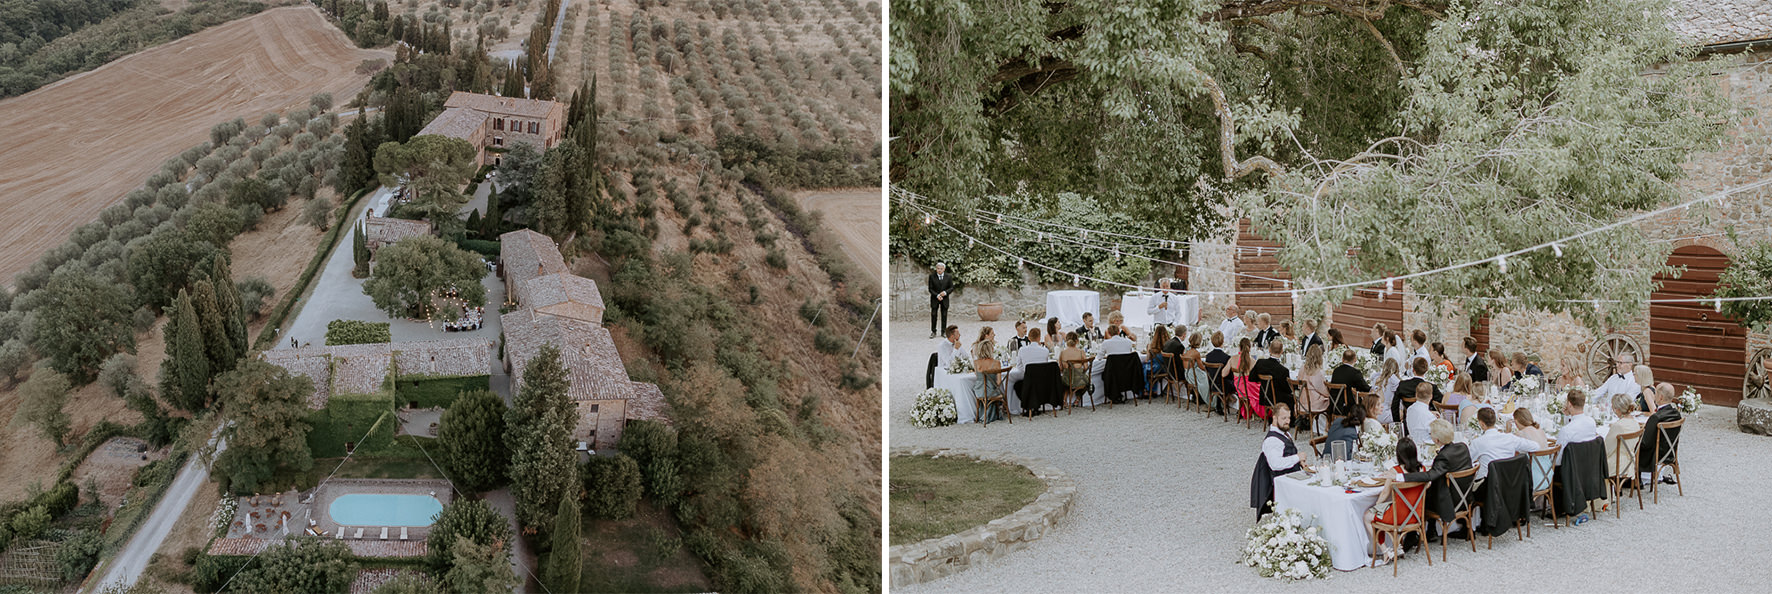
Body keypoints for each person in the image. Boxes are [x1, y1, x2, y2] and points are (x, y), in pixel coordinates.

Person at [1398, 419, 1472, 540]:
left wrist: (1401, 476)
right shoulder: (1463, 447)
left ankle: (1413, 535)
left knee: (1420, 494)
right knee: (1433, 487)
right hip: (1464, 498)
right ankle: (1430, 530)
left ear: (1437, 440)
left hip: (1449, 503)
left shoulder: (1443, 457)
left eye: (1431, 433)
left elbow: (1429, 476)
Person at [1363, 438, 1427, 562]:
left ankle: (1385, 551)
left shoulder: (1395, 471)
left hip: (1398, 517)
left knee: (1368, 516)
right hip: (1416, 515)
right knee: (1388, 508)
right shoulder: (1423, 470)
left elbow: (1385, 493)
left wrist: (1376, 506)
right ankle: (1397, 547)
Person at [1250, 402, 1312, 520]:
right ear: (1274, 417)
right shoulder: (1272, 441)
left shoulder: (1284, 432)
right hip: (1283, 481)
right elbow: (1275, 464)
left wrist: (1299, 462)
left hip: (1291, 475)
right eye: (1283, 418)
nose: (1287, 421)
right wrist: (1297, 457)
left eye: (1288, 418)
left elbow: (1286, 454)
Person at [1468, 407, 1539, 480]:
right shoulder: (1510, 438)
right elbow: (1535, 446)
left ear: (1481, 424)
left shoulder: (1477, 442)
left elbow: (1468, 462)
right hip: (1509, 483)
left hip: (1487, 486)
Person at [1638, 382, 1683, 484]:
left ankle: (1633, 478)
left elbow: (1645, 443)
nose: (1654, 396)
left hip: (1655, 454)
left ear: (1661, 397)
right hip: (1670, 451)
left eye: (1656, 394)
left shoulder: (1656, 417)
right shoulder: (1676, 413)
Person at [1553, 389, 1599, 465]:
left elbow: (1557, 460)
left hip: (1570, 472)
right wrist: (1568, 416)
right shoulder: (1591, 422)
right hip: (1589, 467)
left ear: (1569, 405)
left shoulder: (1566, 431)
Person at [1604, 393, 1642, 482]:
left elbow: (1606, 450)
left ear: (1617, 410)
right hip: (1631, 461)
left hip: (1617, 465)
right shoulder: (1635, 423)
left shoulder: (1618, 426)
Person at [1393, 358, 1444, 422]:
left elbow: (1394, 406)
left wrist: (1398, 423)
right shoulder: (1430, 387)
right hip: (1427, 421)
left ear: (1413, 369)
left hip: (1408, 422)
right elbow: (1443, 401)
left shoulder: (1402, 385)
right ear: (1426, 370)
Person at [1250, 339, 1295, 412]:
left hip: (1264, 397)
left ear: (1269, 350)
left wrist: (1263, 380)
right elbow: (1287, 390)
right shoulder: (1283, 370)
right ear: (1282, 351)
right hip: (1278, 400)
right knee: (1293, 398)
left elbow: (1251, 378)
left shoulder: (1260, 362)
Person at [1224, 338, 1262, 420]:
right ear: (1250, 348)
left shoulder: (1233, 359)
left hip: (1239, 390)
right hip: (1250, 391)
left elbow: (1223, 374)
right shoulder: (1252, 361)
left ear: (1239, 347)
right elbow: (1257, 378)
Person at [1329, 349, 1372, 416]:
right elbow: (1366, 389)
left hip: (1334, 405)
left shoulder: (1336, 371)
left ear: (1342, 359)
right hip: (1349, 408)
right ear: (1355, 360)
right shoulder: (1355, 373)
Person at [1298, 345, 1329, 434]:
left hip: (1301, 402)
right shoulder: (1317, 372)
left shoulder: (1302, 368)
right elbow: (1322, 390)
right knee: (1330, 400)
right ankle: (1325, 427)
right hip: (1313, 403)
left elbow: (1299, 384)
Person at [1404, 383, 1437, 447]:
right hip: (1427, 446)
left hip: (1412, 443)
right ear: (1431, 396)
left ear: (1416, 395)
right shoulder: (1430, 417)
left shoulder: (1410, 409)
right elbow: (1436, 436)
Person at [928, 262, 954, 338]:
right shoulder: (932, 276)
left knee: (944, 315)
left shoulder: (948, 276)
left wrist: (945, 292)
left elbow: (951, 287)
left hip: (945, 299)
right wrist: (937, 295)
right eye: (938, 268)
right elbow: (930, 288)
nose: (939, 270)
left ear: (944, 269)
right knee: (933, 315)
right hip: (935, 298)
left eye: (941, 269)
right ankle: (933, 331)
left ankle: (943, 332)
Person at [1144, 325, 1171, 394]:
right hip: (1166, 369)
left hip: (1155, 369)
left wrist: (1148, 351)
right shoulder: (1169, 345)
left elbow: (1147, 359)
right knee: (1151, 367)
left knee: (1143, 367)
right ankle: (1154, 390)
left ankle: (1146, 390)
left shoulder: (1152, 345)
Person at [1376, 358, 1403, 425]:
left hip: (1376, 412)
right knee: (1402, 411)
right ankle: (1397, 428)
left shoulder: (1378, 379)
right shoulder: (1395, 381)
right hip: (1387, 413)